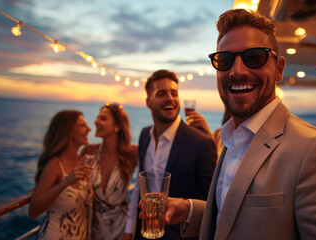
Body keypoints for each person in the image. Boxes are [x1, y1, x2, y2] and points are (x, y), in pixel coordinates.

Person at [156, 9, 316, 239]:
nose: (237, 71)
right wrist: (192, 210)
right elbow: (243, 215)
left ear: (279, 69)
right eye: (225, 60)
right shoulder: (232, 139)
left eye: (254, 57)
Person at [122, 69, 217, 240]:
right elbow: (139, 185)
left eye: (174, 93)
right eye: (161, 93)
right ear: (148, 102)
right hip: (143, 232)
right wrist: (129, 229)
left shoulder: (201, 143)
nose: (170, 99)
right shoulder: (144, 135)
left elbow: (214, 203)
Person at [29, 110, 93, 239]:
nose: (89, 129)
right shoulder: (54, 165)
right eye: (83, 125)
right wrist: (65, 182)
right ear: (69, 131)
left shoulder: (81, 160)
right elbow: (33, 211)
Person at [81, 103, 137, 240]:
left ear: (117, 126)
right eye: (97, 117)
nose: (95, 121)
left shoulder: (132, 153)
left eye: (103, 118)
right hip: (91, 230)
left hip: (121, 231)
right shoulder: (88, 152)